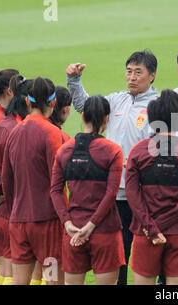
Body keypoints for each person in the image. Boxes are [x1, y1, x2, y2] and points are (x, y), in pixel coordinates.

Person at [66, 50, 158, 285]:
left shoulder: (158, 107)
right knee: (117, 257)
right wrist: (74, 81)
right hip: (112, 194)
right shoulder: (117, 99)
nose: (132, 77)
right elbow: (86, 108)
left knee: (143, 256)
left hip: (141, 196)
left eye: (139, 72)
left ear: (152, 76)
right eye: (129, 71)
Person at [125, 90, 178, 285]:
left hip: (146, 232)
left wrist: (152, 227)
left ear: (152, 121)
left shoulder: (138, 151)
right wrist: (165, 223)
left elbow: (132, 195)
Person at [51, 95, 125, 285]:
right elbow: (111, 193)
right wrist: (92, 225)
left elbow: (56, 190)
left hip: (74, 230)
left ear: (82, 116)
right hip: (105, 230)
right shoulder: (113, 150)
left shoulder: (64, 150)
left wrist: (67, 223)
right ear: (106, 119)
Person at [1, 77, 65, 285]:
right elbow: (57, 183)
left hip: (19, 221)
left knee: (19, 281)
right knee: (52, 280)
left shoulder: (15, 132)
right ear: (54, 103)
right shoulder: (53, 134)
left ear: (27, 102)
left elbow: (6, 179)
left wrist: (14, 211)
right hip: (47, 223)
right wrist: (65, 219)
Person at [0, 74, 30, 285]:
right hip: (2, 198)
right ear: (11, 91)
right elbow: (7, 171)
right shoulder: (5, 123)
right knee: (11, 268)